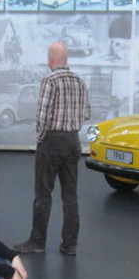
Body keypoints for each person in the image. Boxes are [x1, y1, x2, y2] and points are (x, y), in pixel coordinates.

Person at [15, 42, 90, 256]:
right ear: (66, 59)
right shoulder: (79, 81)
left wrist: (41, 138)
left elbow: (42, 116)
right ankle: (70, 245)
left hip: (52, 141)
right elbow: (86, 113)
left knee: (43, 194)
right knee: (70, 196)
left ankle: (37, 242)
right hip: (73, 141)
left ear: (50, 59)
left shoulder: (50, 80)